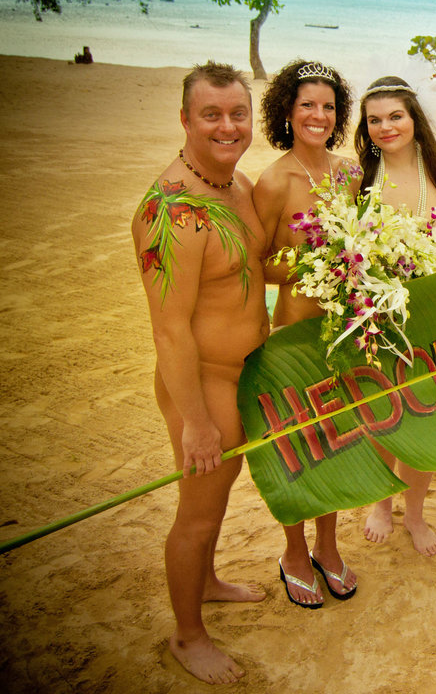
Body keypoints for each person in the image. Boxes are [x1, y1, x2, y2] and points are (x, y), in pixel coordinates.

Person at [131, 61, 268, 684]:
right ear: (185, 119)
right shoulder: (170, 211)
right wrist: (195, 422)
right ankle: (187, 636)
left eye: (238, 114)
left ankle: (208, 581)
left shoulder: (236, 185)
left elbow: (254, 268)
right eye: (211, 115)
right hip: (204, 381)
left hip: (245, 372)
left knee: (221, 491)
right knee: (199, 512)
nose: (227, 126)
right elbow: (169, 330)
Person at [252, 60, 362, 602]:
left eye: (328, 107)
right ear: (287, 112)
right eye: (307, 106)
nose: (319, 115)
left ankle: (328, 546)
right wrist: (312, 262)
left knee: (335, 442)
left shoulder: (351, 173)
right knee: (296, 446)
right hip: (294, 334)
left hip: (341, 333)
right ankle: (294, 551)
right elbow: (255, 264)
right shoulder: (275, 181)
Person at [355, 75, 436, 554]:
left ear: (414, 118)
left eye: (395, 116)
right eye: (374, 120)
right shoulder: (360, 175)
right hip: (381, 319)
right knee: (383, 416)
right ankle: (382, 504)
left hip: (435, 315)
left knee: (424, 420)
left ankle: (415, 514)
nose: (386, 127)